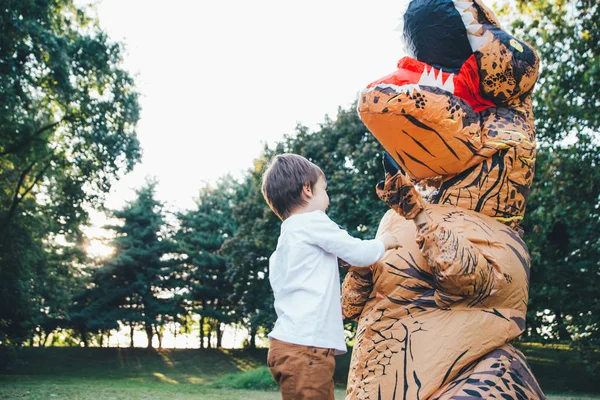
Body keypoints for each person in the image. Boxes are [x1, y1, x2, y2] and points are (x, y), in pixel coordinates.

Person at [261, 153, 402, 400]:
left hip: (295, 347)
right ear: (307, 190)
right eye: (324, 190)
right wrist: (384, 242)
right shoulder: (313, 222)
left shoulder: (285, 243)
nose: (327, 199)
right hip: (306, 350)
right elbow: (359, 252)